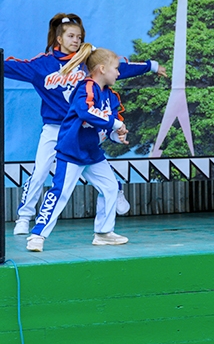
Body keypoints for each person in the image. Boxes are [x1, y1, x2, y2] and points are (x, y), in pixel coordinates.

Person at [5, 13, 165, 235]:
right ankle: (24, 217)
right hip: (54, 129)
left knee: (92, 165)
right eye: (71, 36)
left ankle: (113, 190)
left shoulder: (87, 60)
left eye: (79, 36)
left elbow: (117, 68)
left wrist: (151, 66)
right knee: (40, 171)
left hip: (82, 130)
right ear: (59, 39)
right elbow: (10, 67)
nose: (76, 40)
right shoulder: (42, 65)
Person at [26, 44, 130, 252]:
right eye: (116, 68)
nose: (119, 73)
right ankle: (37, 235)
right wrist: (115, 124)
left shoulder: (111, 96)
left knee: (110, 187)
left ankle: (103, 233)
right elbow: (86, 111)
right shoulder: (86, 87)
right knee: (60, 193)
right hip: (72, 151)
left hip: (93, 153)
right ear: (101, 69)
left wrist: (117, 136)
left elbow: (108, 125)